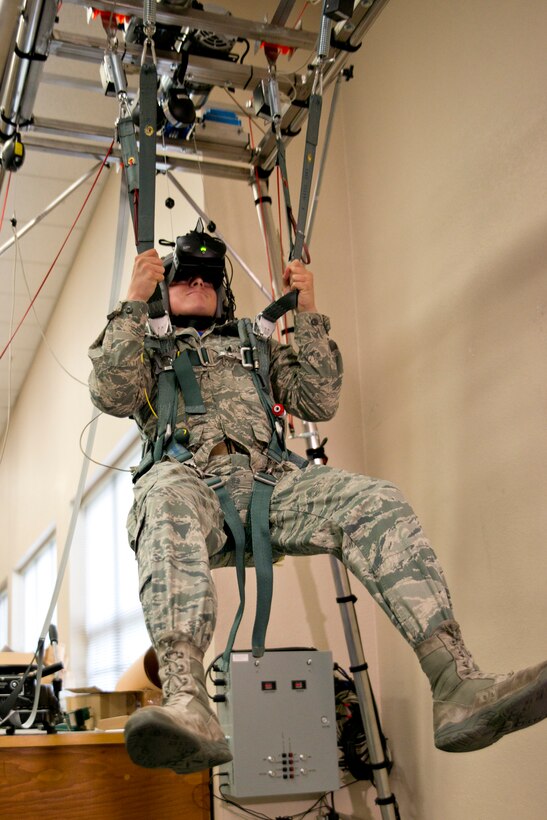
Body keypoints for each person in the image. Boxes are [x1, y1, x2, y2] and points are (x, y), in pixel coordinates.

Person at [88, 224, 547, 775]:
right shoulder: (145, 346)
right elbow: (111, 393)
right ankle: (188, 699)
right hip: (190, 485)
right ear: (164, 289)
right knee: (162, 498)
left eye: (209, 279)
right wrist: (134, 303)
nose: (198, 284)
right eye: (185, 277)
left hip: (271, 484)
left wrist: (306, 314)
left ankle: (455, 683)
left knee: (374, 498)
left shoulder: (254, 346)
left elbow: (318, 399)